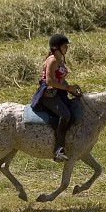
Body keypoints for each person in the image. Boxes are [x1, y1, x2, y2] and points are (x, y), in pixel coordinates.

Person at [30, 33, 83, 162]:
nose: (67, 48)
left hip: (58, 92)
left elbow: (61, 80)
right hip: (48, 94)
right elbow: (49, 81)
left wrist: (71, 88)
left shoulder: (60, 60)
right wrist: (67, 88)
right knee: (65, 115)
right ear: (56, 48)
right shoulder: (52, 60)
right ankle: (58, 150)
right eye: (65, 46)